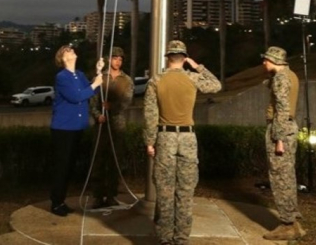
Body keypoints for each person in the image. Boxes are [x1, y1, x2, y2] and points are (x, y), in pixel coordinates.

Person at [143, 40, 222, 245]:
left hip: (165, 137)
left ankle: (165, 238)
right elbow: (216, 85)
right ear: (184, 58)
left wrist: (150, 142)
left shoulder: (155, 81)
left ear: (167, 58)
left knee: (165, 191)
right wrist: (197, 66)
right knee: (186, 191)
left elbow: (150, 115)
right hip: (188, 138)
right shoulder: (193, 78)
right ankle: (181, 239)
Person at [49, 44, 104, 216]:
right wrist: (94, 85)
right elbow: (76, 96)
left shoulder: (79, 75)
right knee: (62, 166)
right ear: (63, 58)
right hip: (63, 128)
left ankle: (61, 200)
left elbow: (92, 90)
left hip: (76, 127)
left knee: (69, 166)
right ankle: (56, 203)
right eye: (68, 51)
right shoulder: (62, 77)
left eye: (72, 50)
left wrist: (98, 72)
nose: (72, 51)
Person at [260, 46, 305, 240]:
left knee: (280, 178)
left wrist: (278, 138)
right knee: (288, 176)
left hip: (280, 129)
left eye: (266, 60)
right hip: (289, 127)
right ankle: (293, 222)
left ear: (274, 61)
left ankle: (287, 225)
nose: (263, 63)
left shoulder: (280, 79)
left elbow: (282, 108)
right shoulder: (290, 75)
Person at [89, 45, 134, 207]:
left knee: (115, 160)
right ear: (109, 59)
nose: (118, 62)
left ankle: (111, 195)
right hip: (101, 124)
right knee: (98, 160)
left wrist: (111, 107)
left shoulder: (127, 80)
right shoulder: (100, 77)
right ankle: (97, 196)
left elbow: (126, 101)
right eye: (115, 58)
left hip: (117, 124)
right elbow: (92, 100)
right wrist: (97, 115)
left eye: (120, 59)